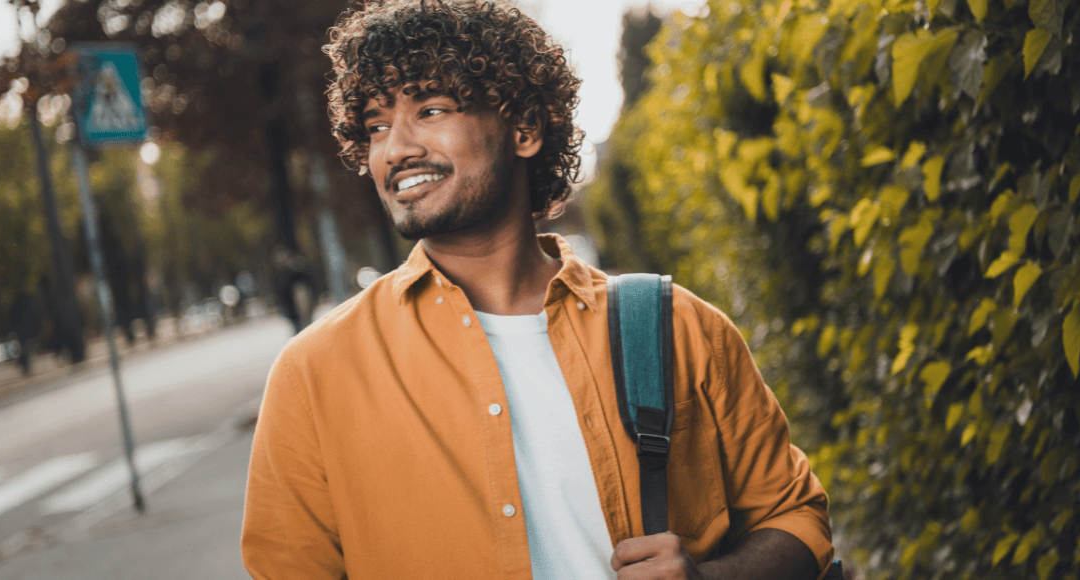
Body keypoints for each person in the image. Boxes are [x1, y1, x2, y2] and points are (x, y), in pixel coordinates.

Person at [241, 1, 833, 578]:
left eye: (431, 110)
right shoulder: (313, 377)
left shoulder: (677, 327)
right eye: (376, 125)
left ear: (524, 129)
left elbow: (798, 520)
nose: (396, 149)